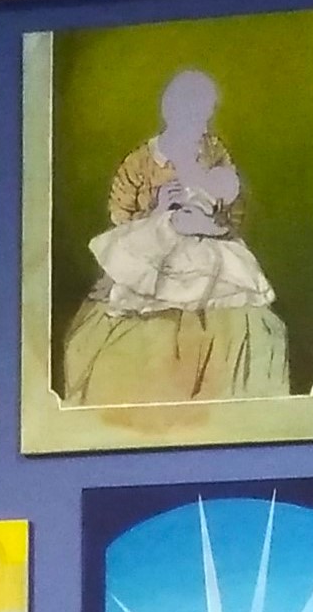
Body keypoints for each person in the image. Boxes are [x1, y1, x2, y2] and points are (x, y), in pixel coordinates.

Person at [59, 67, 290, 408]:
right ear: (174, 112)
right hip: (156, 248)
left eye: (206, 117)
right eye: (195, 117)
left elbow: (231, 204)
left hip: (206, 248)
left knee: (247, 323)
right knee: (125, 336)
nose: (203, 126)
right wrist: (158, 210)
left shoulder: (212, 151)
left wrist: (208, 218)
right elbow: (120, 217)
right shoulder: (141, 161)